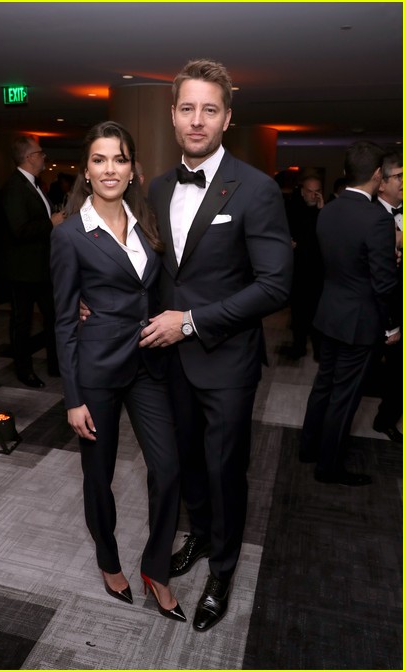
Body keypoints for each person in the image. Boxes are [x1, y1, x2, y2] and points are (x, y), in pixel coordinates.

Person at [138, 59, 293, 631]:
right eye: (187, 108)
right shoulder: (156, 186)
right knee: (185, 464)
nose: (197, 120)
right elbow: (158, 271)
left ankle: (223, 568)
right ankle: (199, 535)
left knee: (226, 468)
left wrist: (194, 321)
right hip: (168, 360)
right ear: (173, 115)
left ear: (227, 117)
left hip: (226, 360)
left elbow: (275, 285)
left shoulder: (256, 188)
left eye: (209, 109)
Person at [51, 121, 185, 622]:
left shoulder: (147, 217)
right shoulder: (69, 234)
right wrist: (72, 397)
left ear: (132, 168)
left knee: (168, 468)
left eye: (119, 159)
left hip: (148, 364)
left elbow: (153, 287)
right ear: (86, 170)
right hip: (97, 374)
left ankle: (156, 568)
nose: (110, 169)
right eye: (100, 160)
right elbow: (64, 320)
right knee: (97, 477)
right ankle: (108, 560)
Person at [299, 141, 398, 485]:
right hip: (360, 321)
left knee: (324, 385)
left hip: (328, 312)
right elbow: (384, 284)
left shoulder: (329, 210)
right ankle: (328, 467)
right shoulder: (376, 219)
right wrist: (393, 325)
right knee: (345, 396)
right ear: (376, 175)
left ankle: (308, 447)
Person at [0, 134, 65, 387]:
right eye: (40, 153)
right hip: (23, 271)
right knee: (22, 323)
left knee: (53, 318)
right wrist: (51, 223)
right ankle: (23, 370)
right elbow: (20, 230)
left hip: (43, 268)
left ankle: (56, 365)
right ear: (29, 158)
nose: (43, 157)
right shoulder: (15, 187)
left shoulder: (36, 184)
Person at [372, 151, 403, 442]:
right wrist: (390, 324)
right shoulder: (369, 216)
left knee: (398, 376)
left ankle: (386, 419)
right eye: (399, 176)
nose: (404, 182)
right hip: (379, 312)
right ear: (381, 182)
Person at [286, 173, 325, 360]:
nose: (313, 195)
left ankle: (319, 351)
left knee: (319, 314)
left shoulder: (325, 212)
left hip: (320, 273)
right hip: (297, 272)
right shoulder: (292, 209)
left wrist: (321, 210)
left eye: (317, 191)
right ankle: (298, 346)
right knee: (298, 314)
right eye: (310, 191)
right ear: (302, 192)